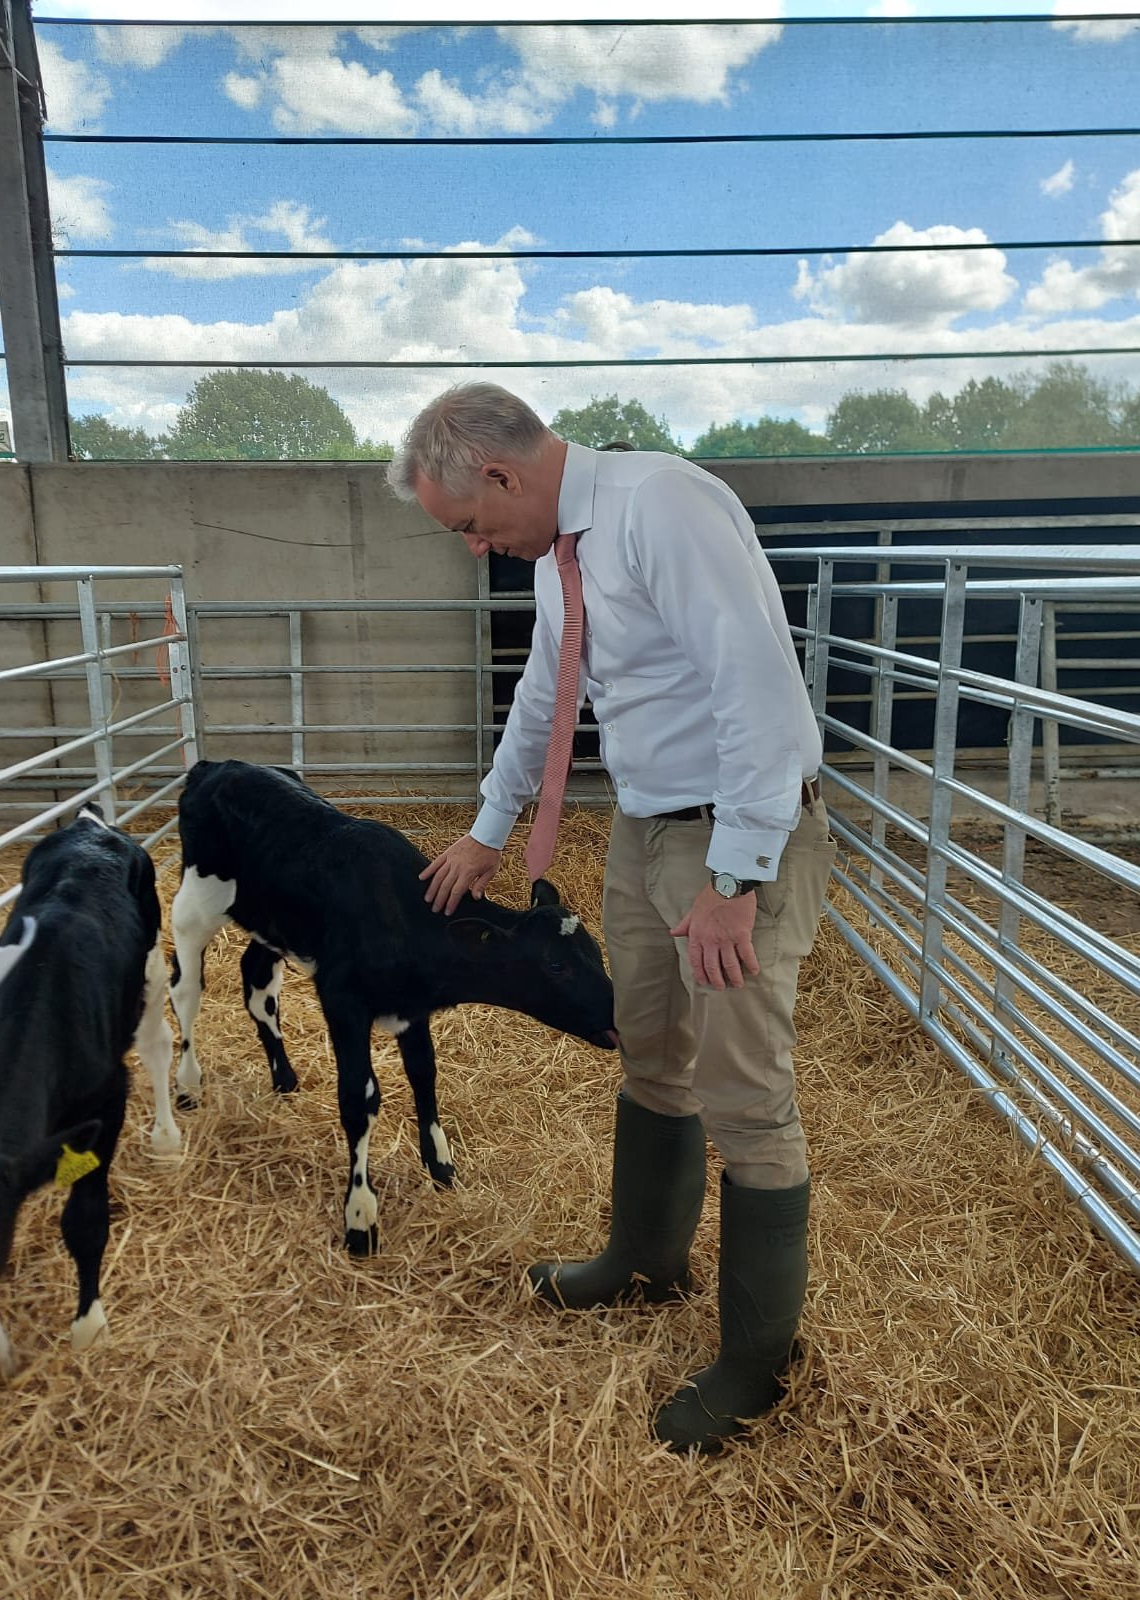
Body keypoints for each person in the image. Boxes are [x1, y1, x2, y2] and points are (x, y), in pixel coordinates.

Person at [385, 383, 836, 1453]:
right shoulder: (562, 560)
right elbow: (546, 694)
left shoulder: (662, 507)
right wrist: (491, 829)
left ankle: (758, 1364)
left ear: (498, 474)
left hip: (729, 832)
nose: (473, 546)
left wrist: (735, 877)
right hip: (644, 829)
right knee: (652, 1051)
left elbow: (759, 692)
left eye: (467, 524)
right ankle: (645, 1257)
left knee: (747, 1095)